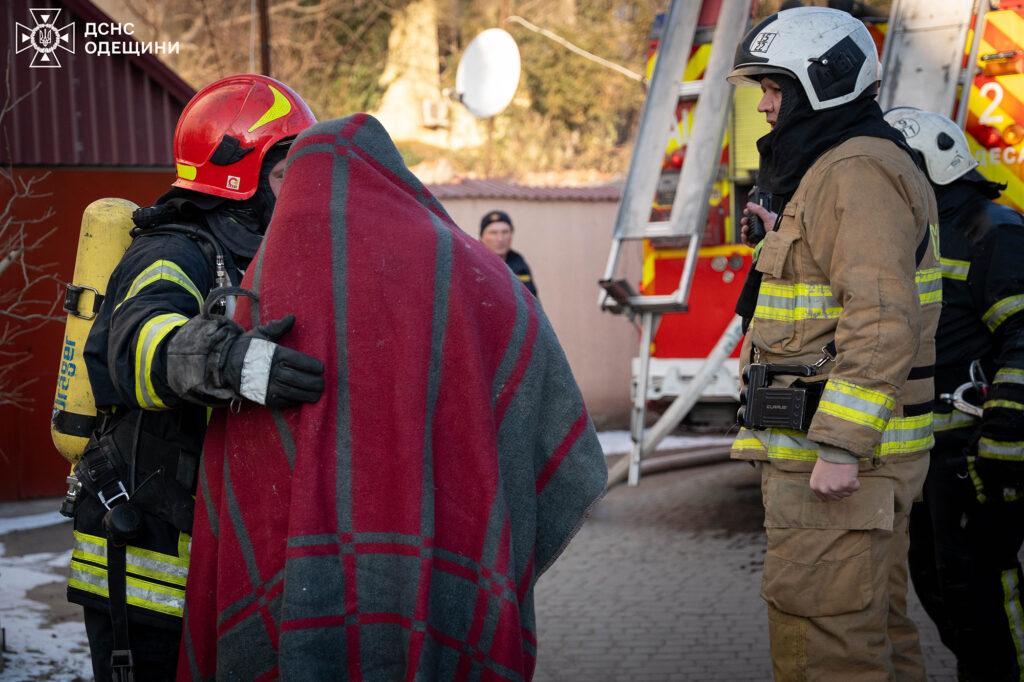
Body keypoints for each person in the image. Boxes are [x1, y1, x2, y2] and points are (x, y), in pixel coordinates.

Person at [177, 114, 607, 680]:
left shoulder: (260, 290)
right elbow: (535, 372)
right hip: (441, 552)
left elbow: (237, 458)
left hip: (299, 576)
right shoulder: (468, 269)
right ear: (391, 173)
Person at [69, 74, 324, 682]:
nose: (300, 191)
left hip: (211, 560)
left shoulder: (257, 253)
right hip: (146, 565)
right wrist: (229, 362)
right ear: (243, 173)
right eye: (287, 173)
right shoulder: (173, 252)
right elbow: (137, 343)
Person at [727, 7, 941, 679]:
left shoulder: (854, 171)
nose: (763, 106)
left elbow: (881, 317)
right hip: (842, 467)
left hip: (842, 469)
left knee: (826, 648)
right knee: (876, 631)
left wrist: (842, 444)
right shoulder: (835, 167)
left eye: (774, 88)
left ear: (824, 81)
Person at [884, 106, 1024, 681]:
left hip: (976, 453)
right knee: (941, 590)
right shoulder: (912, 233)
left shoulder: (992, 230)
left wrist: (1003, 438)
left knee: (983, 595)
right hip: (925, 458)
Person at [479, 210, 538, 297]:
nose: (500, 239)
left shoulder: (519, 263)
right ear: (482, 237)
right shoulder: (474, 262)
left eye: (505, 232)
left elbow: (533, 301)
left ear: (511, 236)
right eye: (493, 233)